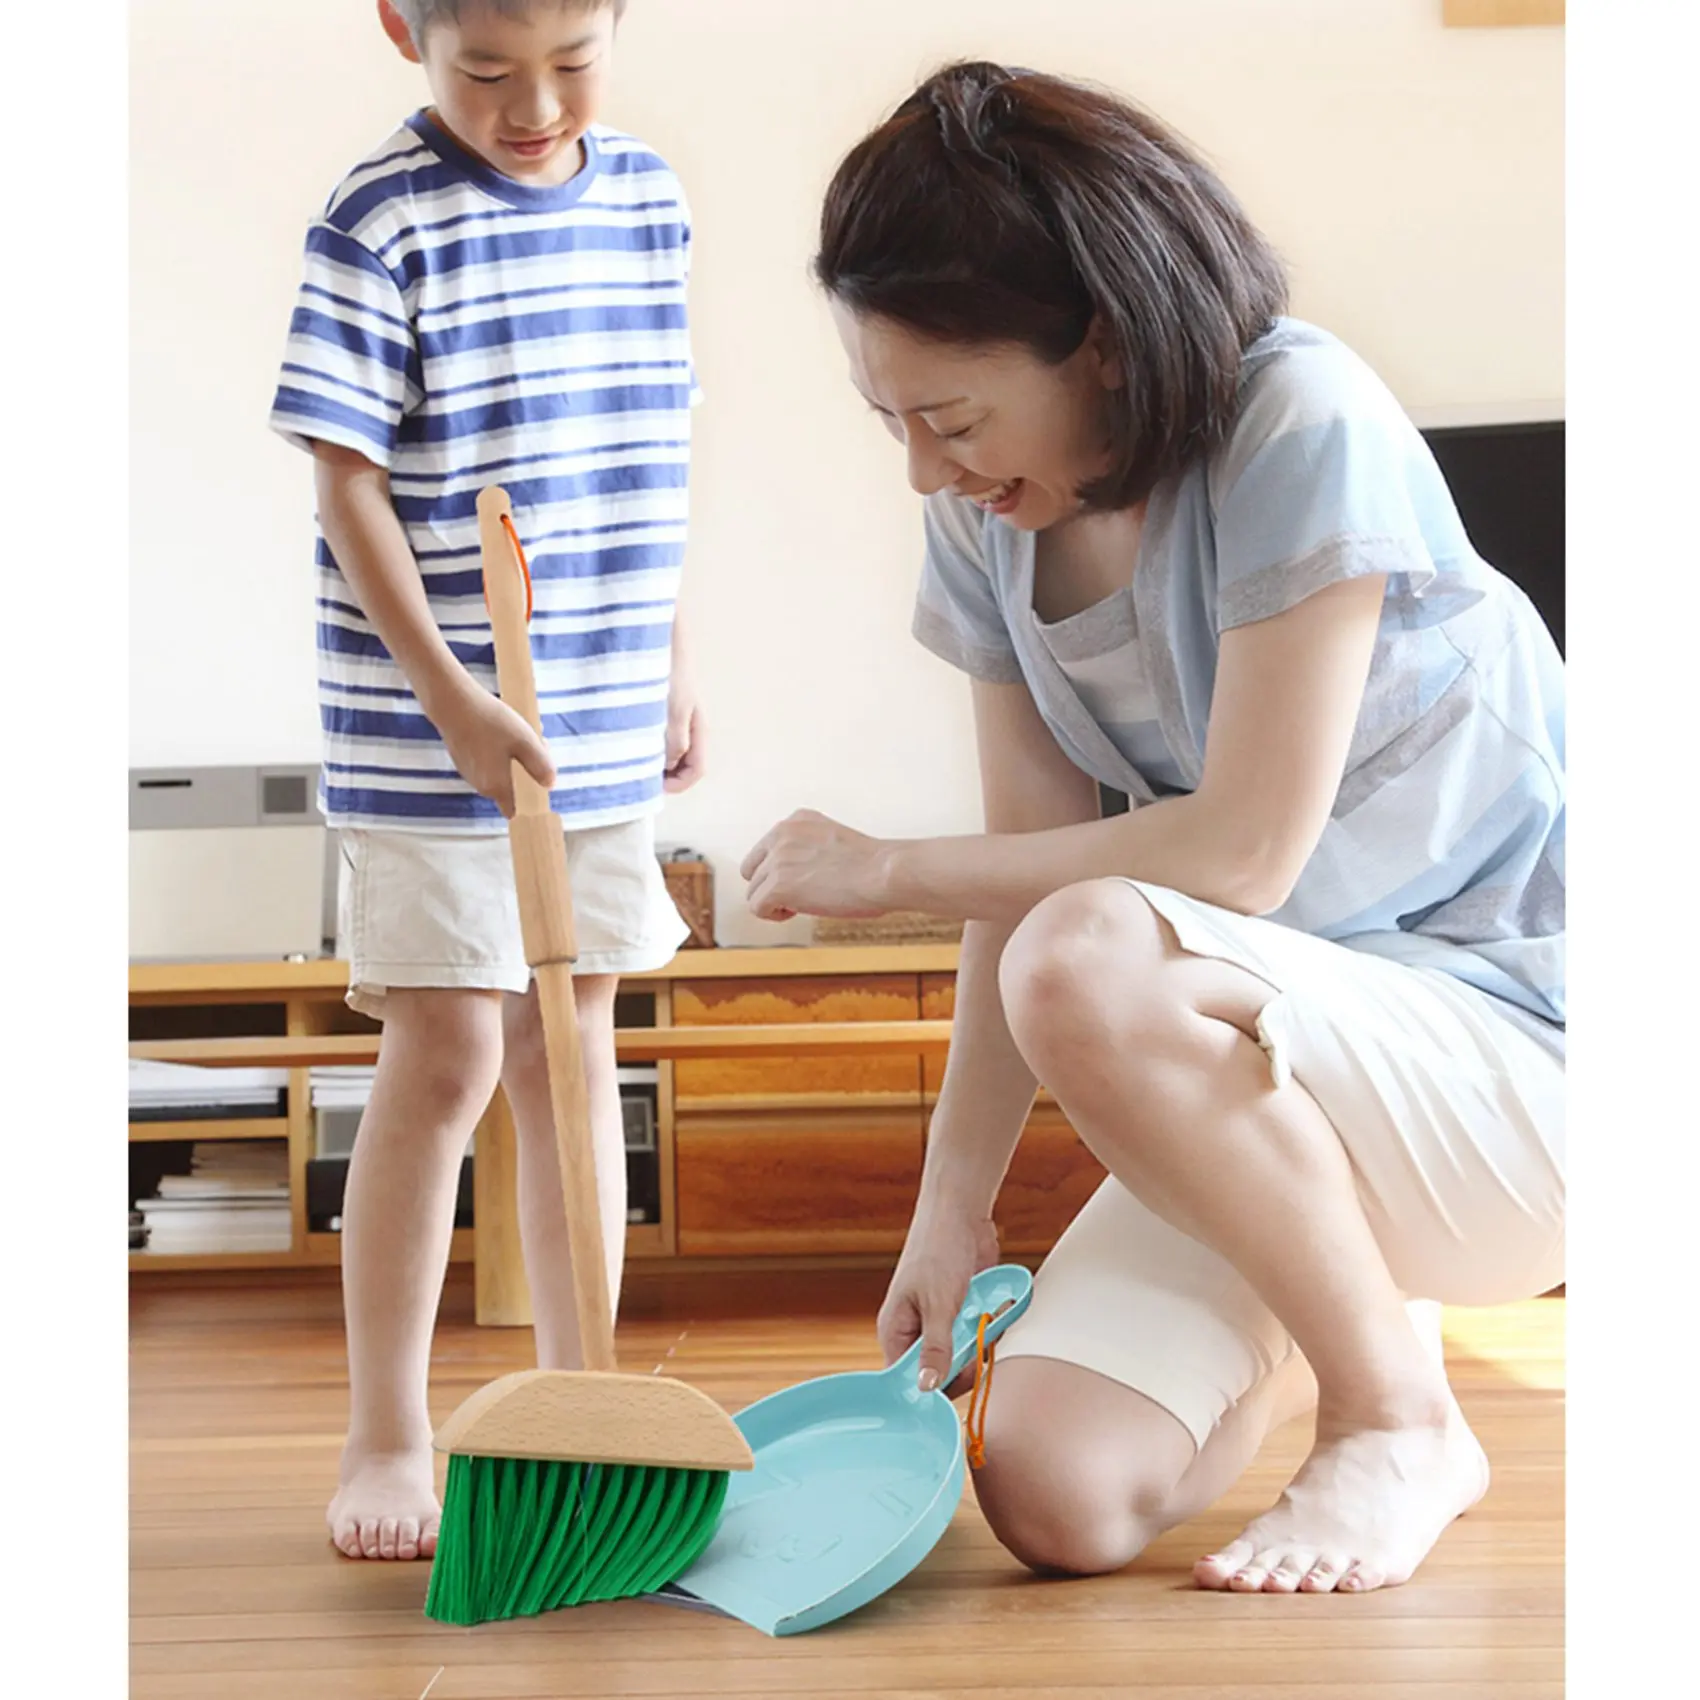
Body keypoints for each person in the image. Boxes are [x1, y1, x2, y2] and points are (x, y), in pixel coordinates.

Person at [741, 61, 1564, 1597]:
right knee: (1061, 1498)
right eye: (892, 420)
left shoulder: (1297, 420)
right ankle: (1364, 1318)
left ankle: (1396, 1418)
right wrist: (948, 1212)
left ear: (1102, 344)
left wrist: (883, 873)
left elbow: (1238, 856)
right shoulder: (991, 519)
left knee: (1091, 952)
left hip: (1524, 1063)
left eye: (951, 414)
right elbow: (1022, 886)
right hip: (1296, 1070)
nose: (927, 466)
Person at [268, 0, 701, 1562]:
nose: (534, 106)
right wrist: (449, 700)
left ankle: (578, 1394)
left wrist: (669, 657)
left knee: (575, 1053)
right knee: (448, 1054)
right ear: (406, 27)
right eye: (488, 69)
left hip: (591, 708)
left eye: (573, 63)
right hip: (428, 720)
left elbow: (648, 446)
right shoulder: (379, 215)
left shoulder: (649, 200)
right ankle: (388, 1427)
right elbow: (346, 479)